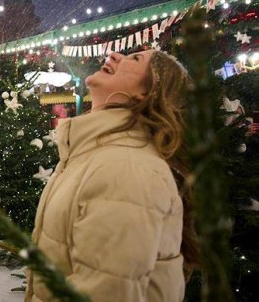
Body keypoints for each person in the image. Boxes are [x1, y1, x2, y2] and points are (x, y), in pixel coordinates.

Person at [26, 50, 199, 302]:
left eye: (136, 59)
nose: (115, 54)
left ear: (147, 92)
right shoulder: (97, 153)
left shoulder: (127, 169)